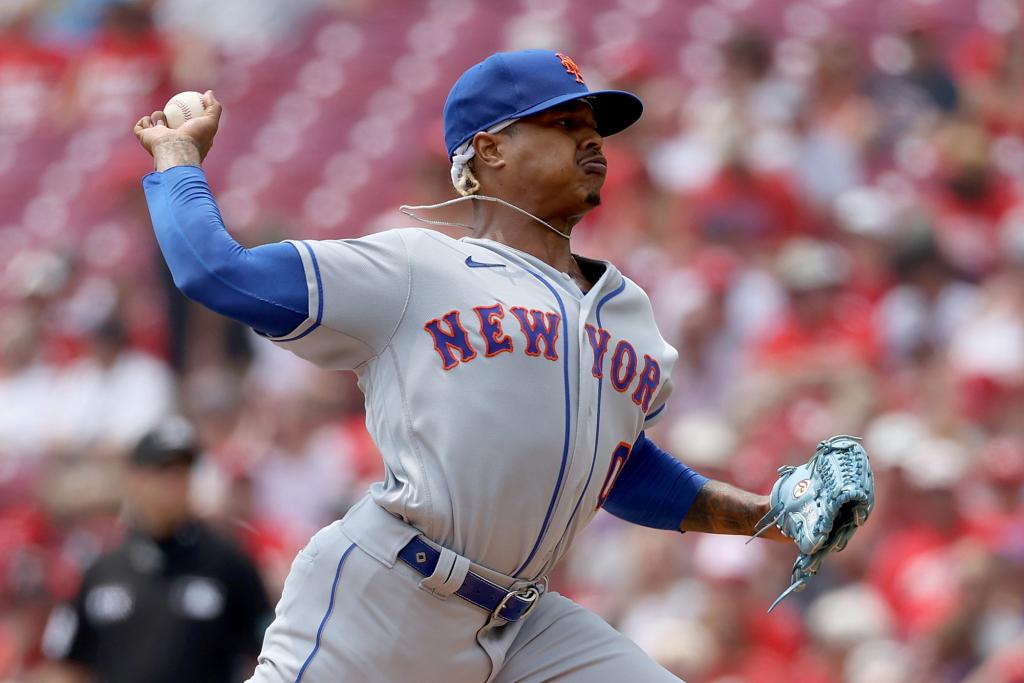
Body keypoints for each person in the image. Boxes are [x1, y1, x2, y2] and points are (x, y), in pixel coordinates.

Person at [132, 50, 797, 682]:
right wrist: (177, 159)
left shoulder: (631, 314)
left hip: (523, 623)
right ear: (490, 148)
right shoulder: (417, 268)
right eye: (565, 123)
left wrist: (766, 516)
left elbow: (616, 465)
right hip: (388, 594)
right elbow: (217, 272)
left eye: (594, 128)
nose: (591, 142)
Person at [40, 417, 273, 683]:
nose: (176, 484)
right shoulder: (101, 571)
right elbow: (67, 665)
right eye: (164, 471)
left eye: (183, 472)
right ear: (135, 480)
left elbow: (269, 653)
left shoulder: (229, 564)